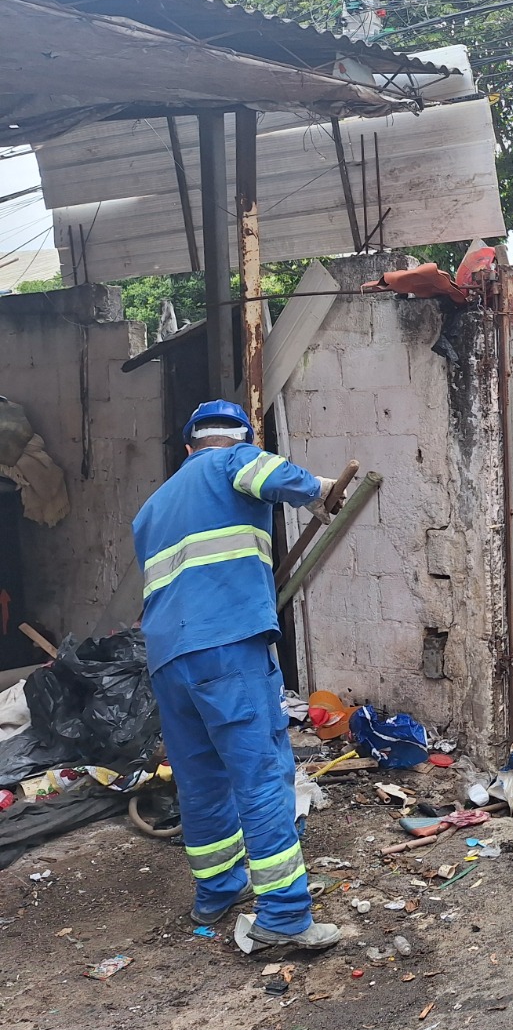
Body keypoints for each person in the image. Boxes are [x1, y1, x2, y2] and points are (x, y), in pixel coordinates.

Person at [130, 400, 341, 950]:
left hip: (168, 659)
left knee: (200, 780)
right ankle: (284, 915)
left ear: (187, 447)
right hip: (226, 649)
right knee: (262, 775)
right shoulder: (230, 463)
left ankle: (218, 888)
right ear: (239, 439)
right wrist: (320, 489)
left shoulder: (150, 509)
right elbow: (276, 476)